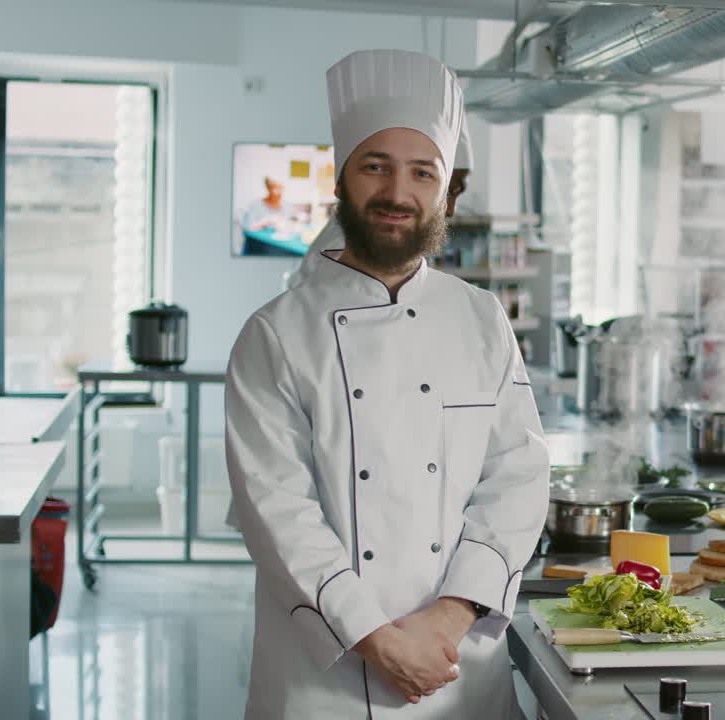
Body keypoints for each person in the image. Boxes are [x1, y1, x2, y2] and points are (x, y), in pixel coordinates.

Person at [225, 48, 548, 720]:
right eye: (376, 167)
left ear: (445, 192)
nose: (398, 194)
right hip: (327, 679)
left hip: (456, 667)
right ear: (341, 180)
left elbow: (518, 475)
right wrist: (380, 641)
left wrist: (449, 617)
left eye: (421, 172)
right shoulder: (276, 334)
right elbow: (276, 512)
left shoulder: (481, 318)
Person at [284, 122, 474, 290]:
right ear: (340, 184)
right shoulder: (358, 244)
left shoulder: (476, 309)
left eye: (423, 174)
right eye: (376, 168)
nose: (450, 208)